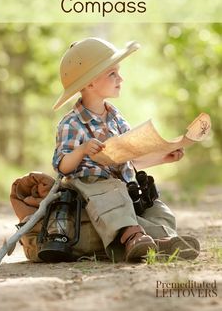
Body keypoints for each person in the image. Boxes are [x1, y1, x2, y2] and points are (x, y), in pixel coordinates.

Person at [52, 37, 200, 262]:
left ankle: (161, 240)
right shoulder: (71, 124)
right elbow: (63, 166)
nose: (121, 78)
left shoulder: (115, 117)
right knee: (113, 193)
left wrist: (162, 158)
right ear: (90, 82)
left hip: (123, 188)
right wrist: (82, 150)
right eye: (112, 73)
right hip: (94, 189)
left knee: (157, 209)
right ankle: (133, 237)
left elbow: (127, 160)